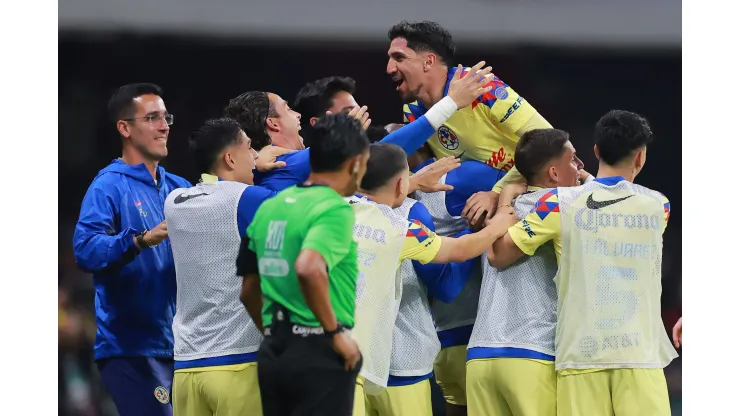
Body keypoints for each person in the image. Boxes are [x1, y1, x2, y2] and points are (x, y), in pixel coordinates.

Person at [487, 110, 678, 416]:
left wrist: (506, 200)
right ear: (640, 157)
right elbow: (615, 200)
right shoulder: (659, 205)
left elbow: (498, 255)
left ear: (596, 151)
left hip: (581, 358)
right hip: (639, 355)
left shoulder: (560, 204)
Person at [346, 143, 518, 415]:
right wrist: (495, 225)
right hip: (399, 360)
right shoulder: (400, 228)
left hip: (329, 361)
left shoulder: (325, 211)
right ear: (402, 184)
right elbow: (458, 257)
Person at [237, 113, 369, 416]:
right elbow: (309, 267)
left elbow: (248, 291)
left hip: (274, 352)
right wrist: (334, 334)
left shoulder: (269, 206)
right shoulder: (334, 208)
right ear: (355, 163)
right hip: (319, 352)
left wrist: (276, 336)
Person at [72, 83, 191, 416]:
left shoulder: (180, 188)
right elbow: (85, 249)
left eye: (165, 117)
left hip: (181, 347)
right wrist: (139, 239)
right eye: (152, 117)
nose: (164, 125)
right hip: (130, 349)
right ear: (124, 128)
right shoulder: (108, 185)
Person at [223, 62, 493, 192]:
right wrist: (451, 103)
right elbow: (385, 154)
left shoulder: (262, 171)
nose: (298, 115)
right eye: (287, 109)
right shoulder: (289, 165)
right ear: (272, 123)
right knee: (468, 175)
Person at [385, 20, 554, 224]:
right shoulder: (412, 109)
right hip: (471, 206)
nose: (389, 68)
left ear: (428, 61)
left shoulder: (480, 85)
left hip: (526, 194)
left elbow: (549, 141)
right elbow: (387, 154)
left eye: (399, 57)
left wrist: (497, 193)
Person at [164, 118, 278, 416]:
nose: (256, 157)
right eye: (251, 148)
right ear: (229, 157)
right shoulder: (249, 199)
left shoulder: (174, 201)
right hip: (237, 364)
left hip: (186, 368)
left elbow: (214, 191)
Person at [466, 129, 583, 416]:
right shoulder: (565, 209)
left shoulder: (498, 211)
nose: (579, 167)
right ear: (554, 173)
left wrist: (504, 196)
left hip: (480, 357)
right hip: (532, 354)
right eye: (573, 160)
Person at [405, 142, 503, 416]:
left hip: (447, 335)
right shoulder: (460, 175)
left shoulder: (404, 199)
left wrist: (494, 194)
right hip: (483, 334)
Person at [292, 76, 362, 148]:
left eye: (359, 112)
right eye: (347, 113)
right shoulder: (295, 158)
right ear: (317, 123)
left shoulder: (371, 149)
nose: (359, 119)